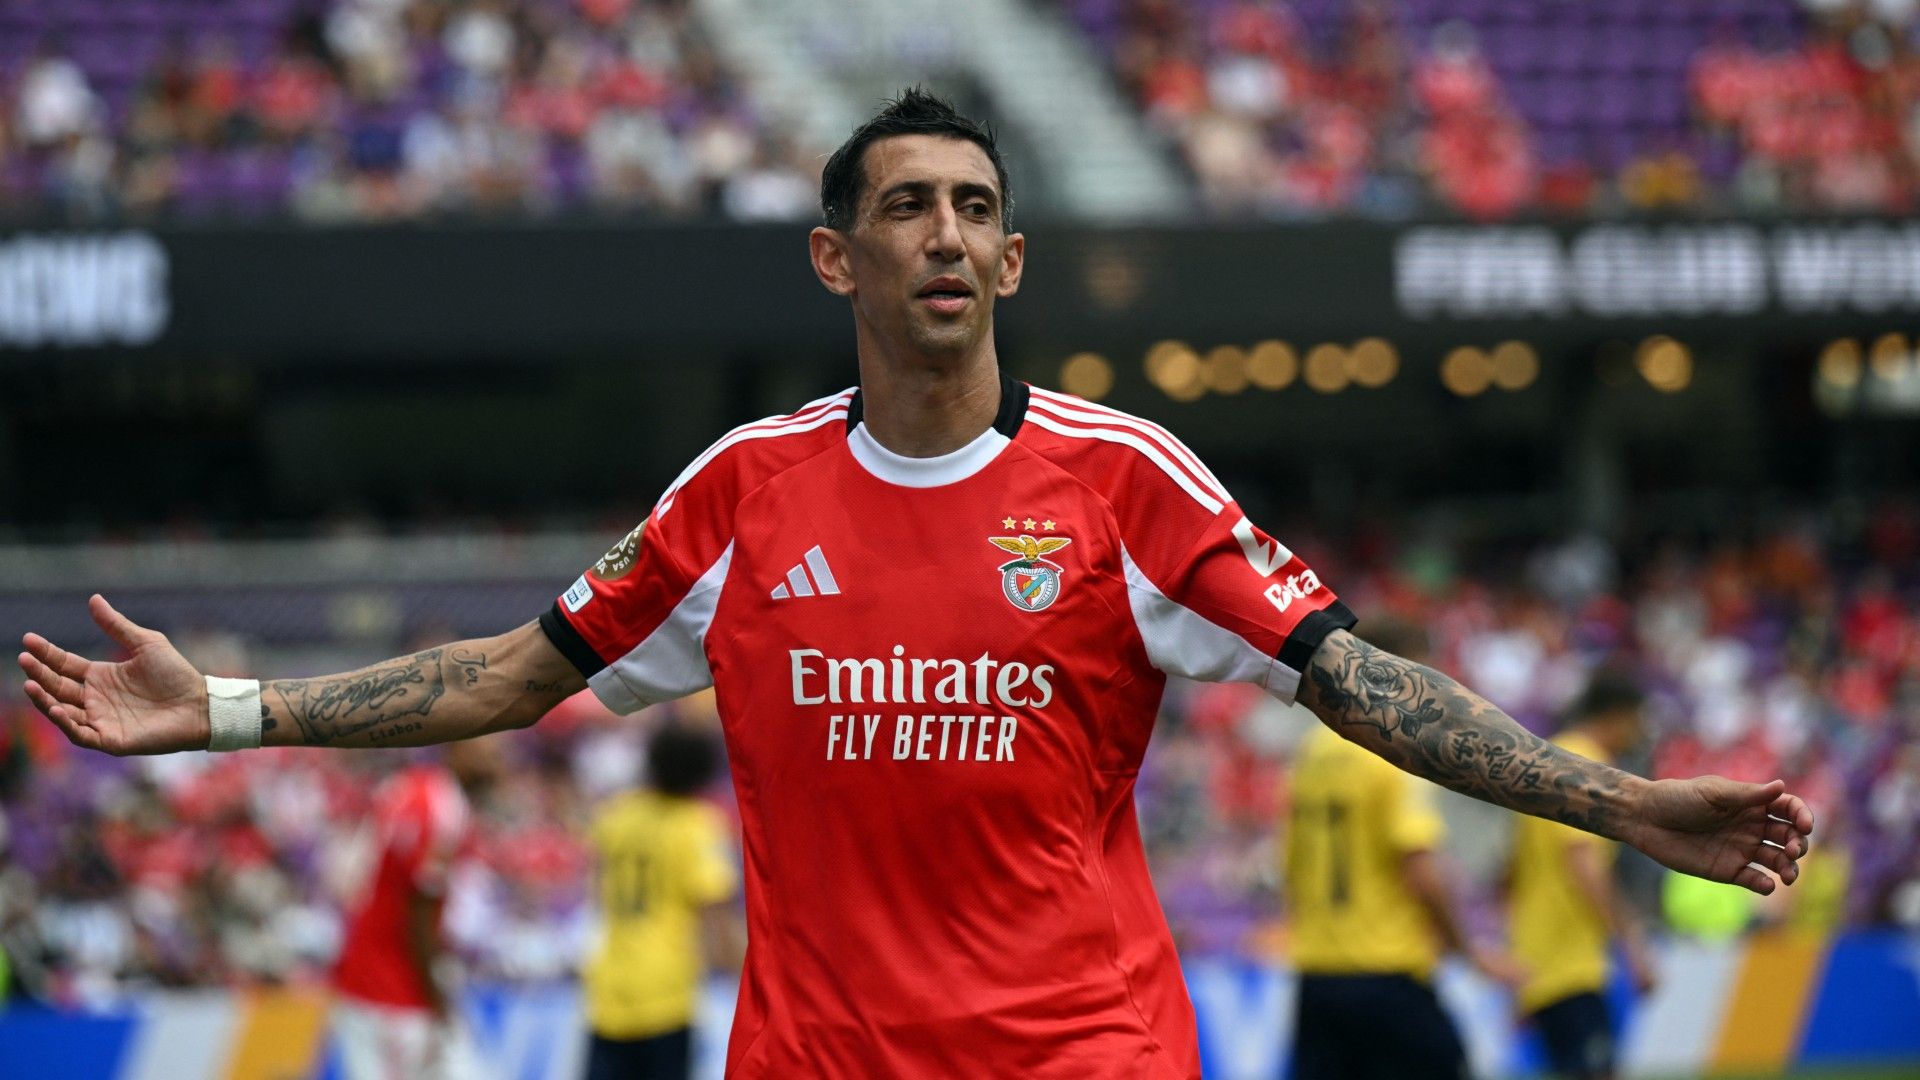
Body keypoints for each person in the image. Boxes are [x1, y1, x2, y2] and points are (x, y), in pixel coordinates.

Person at [16, 89, 1813, 1079]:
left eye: (970, 207)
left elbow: (1360, 678)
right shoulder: (741, 494)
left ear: (1012, 257)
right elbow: (512, 673)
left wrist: (1616, 800)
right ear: (836, 256)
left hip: (1086, 1056)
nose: (943, 232)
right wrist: (227, 710)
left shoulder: (1127, 485)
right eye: (904, 206)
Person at [1284, 619, 1520, 1080]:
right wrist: (1467, 951)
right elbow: (1420, 869)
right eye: (1422, 672)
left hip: (1317, 978)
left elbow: (1293, 867)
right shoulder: (1389, 751)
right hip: (1386, 973)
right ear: (1391, 669)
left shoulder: (1309, 755)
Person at [1508, 671, 1659, 1080]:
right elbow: (1583, 863)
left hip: (1540, 962)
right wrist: (1632, 944)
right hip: (1569, 966)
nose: (1640, 732)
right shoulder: (1583, 765)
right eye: (1637, 720)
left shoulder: (1550, 757)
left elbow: (1514, 871)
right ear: (1618, 715)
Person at [331, 738, 501, 1080]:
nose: (498, 758)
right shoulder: (439, 808)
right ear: (460, 744)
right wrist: (437, 994)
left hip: (372, 971)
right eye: (489, 745)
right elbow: (418, 911)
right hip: (394, 987)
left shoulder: (413, 786)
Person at [584, 718, 742, 1080]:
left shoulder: (616, 816)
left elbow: (597, 887)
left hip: (608, 987)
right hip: (667, 993)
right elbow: (717, 916)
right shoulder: (697, 826)